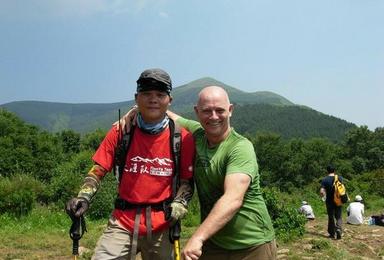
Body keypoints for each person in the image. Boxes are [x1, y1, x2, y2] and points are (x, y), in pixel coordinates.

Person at [120, 85, 276, 260]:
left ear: (230, 110)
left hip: (252, 245)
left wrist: (197, 237)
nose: (214, 117)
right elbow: (170, 115)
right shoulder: (198, 134)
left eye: (220, 110)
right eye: (207, 111)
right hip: (214, 242)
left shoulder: (240, 148)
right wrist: (137, 110)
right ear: (197, 112)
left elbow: (233, 199)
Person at [66, 68, 195, 260]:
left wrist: (180, 202)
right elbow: (97, 170)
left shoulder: (182, 138)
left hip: (163, 224)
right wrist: (83, 197)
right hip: (122, 222)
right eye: (146, 94)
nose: (153, 99)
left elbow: (187, 181)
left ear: (170, 100)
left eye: (160, 95)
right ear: (136, 98)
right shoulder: (121, 132)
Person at [320, 165, 344, 240]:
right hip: (338, 200)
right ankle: (339, 229)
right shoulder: (339, 178)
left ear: (327, 171)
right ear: (334, 170)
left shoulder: (324, 179)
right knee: (339, 216)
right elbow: (342, 189)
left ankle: (332, 233)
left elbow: (321, 191)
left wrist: (323, 196)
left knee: (331, 217)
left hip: (329, 201)